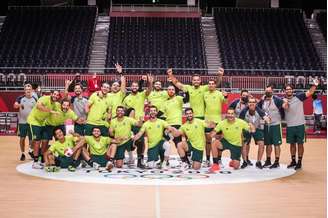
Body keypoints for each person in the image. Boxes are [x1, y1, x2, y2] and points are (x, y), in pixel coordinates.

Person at [283, 80, 318, 170]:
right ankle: (293, 161)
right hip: (290, 126)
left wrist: (315, 84)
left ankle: (299, 162)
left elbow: (310, 92)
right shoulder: (283, 100)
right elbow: (284, 107)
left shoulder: (299, 97)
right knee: (292, 144)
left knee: (300, 144)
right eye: (287, 89)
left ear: (292, 90)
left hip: (300, 125)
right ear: (285, 91)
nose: (288, 91)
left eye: (290, 89)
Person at [122, 75, 152, 168]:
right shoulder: (126, 98)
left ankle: (140, 161)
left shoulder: (142, 94)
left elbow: (149, 90)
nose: (134, 87)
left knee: (141, 142)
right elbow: (124, 110)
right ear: (131, 87)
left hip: (139, 123)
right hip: (129, 123)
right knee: (128, 141)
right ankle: (129, 157)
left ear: (138, 87)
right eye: (133, 86)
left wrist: (150, 82)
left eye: (136, 86)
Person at [27, 90, 61, 169]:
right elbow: (39, 106)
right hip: (34, 121)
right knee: (37, 141)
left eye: (57, 95)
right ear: (51, 94)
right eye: (54, 94)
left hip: (42, 123)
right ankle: (35, 162)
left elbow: (60, 110)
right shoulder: (44, 98)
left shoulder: (55, 104)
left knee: (45, 141)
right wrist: (50, 111)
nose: (55, 96)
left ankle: (40, 160)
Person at [257, 85, 287, 169]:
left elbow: (285, 105)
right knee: (268, 144)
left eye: (269, 91)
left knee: (276, 144)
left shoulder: (277, 100)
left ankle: (277, 162)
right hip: (266, 126)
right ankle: (268, 160)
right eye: (266, 91)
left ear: (272, 91)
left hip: (276, 125)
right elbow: (257, 108)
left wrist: (285, 102)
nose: (268, 92)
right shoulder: (262, 101)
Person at [239, 97, 270, 169]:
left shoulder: (259, 110)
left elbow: (266, 118)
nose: (252, 104)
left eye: (253, 102)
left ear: (256, 104)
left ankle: (258, 162)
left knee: (261, 144)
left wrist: (267, 119)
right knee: (244, 144)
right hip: (246, 129)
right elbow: (239, 123)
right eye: (250, 102)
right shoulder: (243, 111)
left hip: (257, 128)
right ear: (248, 103)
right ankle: (245, 161)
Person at [203, 79, 228, 166]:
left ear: (215, 85)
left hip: (218, 121)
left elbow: (225, 102)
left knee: (218, 141)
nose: (211, 85)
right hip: (207, 121)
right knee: (208, 141)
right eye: (209, 84)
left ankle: (219, 159)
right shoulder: (204, 94)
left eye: (212, 84)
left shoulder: (219, 93)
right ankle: (207, 160)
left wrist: (226, 96)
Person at [14, 84, 37, 161]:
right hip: (22, 122)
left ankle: (30, 150)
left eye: (29, 89)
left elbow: (37, 109)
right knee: (22, 138)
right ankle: (23, 153)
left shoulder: (35, 99)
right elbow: (15, 105)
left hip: (32, 122)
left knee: (32, 139)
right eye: (26, 89)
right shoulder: (20, 98)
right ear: (24, 90)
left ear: (31, 90)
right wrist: (20, 105)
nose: (28, 90)